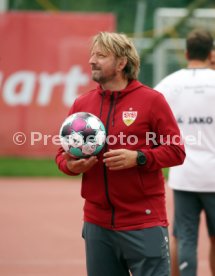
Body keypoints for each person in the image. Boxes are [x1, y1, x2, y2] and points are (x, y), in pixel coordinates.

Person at [56, 31, 185, 276]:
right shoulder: (82, 105)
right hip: (97, 224)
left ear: (121, 63)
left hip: (144, 222)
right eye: (92, 54)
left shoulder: (152, 100)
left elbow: (176, 151)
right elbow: (61, 155)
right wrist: (71, 166)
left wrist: (139, 157)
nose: (92, 60)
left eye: (101, 55)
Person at [154, 29, 215, 276]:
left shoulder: (168, 84)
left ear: (187, 53)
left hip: (183, 173)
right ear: (212, 54)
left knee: (184, 237)